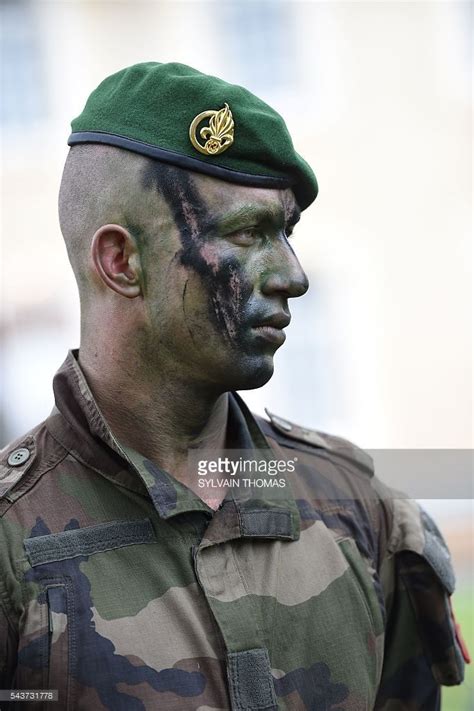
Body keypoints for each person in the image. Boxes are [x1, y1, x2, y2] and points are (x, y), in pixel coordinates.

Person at [0, 62, 467, 710]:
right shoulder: (10, 539)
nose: (293, 276)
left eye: (287, 232)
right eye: (248, 233)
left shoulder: (358, 508)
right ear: (120, 261)